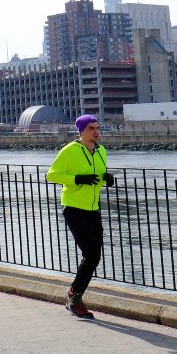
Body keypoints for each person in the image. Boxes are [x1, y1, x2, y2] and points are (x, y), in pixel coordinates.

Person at [46, 114, 115, 319]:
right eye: (92, 128)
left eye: (97, 127)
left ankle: (74, 294)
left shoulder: (101, 151)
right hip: (74, 208)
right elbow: (52, 175)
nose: (96, 131)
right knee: (92, 254)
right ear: (82, 131)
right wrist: (77, 179)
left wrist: (106, 178)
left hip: (93, 209)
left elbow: (97, 176)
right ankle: (74, 296)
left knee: (95, 256)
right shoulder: (69, 151)